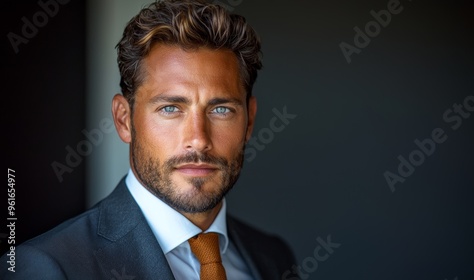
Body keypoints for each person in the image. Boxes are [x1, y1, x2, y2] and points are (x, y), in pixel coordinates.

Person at [0, 0, 296, 279]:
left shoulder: (273, 258)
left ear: (250, 120)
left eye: (221, 109)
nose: (198, 139)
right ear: (123, 120)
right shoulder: (47, 267)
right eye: (170, 108)